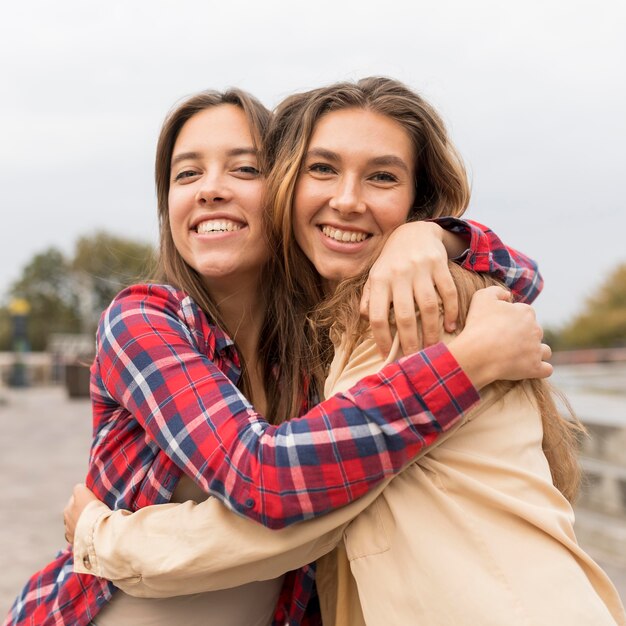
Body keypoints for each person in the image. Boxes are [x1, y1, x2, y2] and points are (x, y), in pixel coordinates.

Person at [64, 78, 625, 625]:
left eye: (244, 168)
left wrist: (431, 236)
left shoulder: (392, 316)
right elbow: (268, 482)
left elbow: (521, 276)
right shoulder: (148, 318)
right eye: (187, 173)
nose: (211, 187)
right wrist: (465, 356)